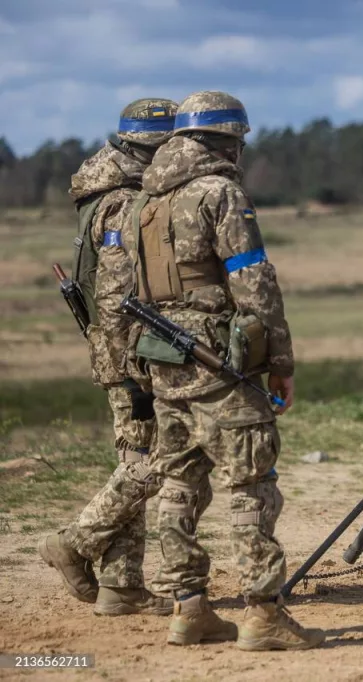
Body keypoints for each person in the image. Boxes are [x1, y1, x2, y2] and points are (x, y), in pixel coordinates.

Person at [130, 90, 322, 650]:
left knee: (178, 483)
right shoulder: (221, 193)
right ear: (227, 139)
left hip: (164, 364)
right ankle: (263, 615)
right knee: (251, 486)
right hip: (219, 365)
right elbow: (253, 282)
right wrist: (278, 362)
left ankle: (189, 610)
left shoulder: (148, 201)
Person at [38, 98, 186, 616]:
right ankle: (74, 542)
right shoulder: (125, 201)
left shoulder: (101, 193)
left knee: (135, 458)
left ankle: (121, 587)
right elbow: (118, 296)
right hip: (132, 356)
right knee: (159, 460)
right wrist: (137, 369)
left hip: (120, 353)